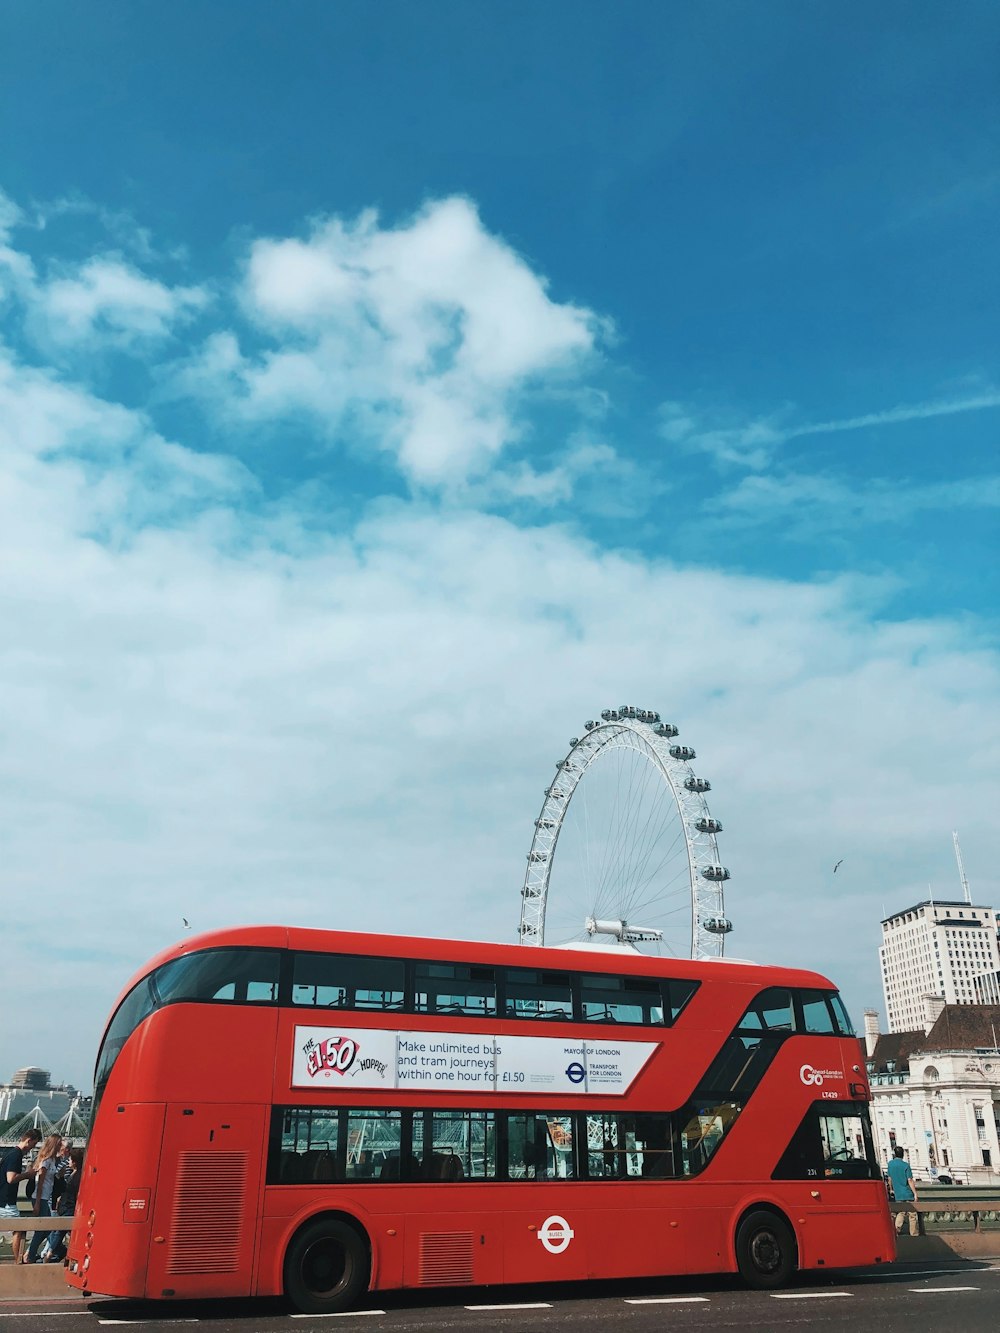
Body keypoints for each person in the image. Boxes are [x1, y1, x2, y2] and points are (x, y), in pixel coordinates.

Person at [1, 1130, 41, 1264]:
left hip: (5, 1199)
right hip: (7, 1201)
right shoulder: (16, 1155)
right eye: (33, 1144)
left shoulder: (11, 1154)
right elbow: (11, 1178)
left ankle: (19, 1258)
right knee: (19, 1229)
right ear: (28, 1140)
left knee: (19, 1229)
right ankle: (18, 1260)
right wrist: (28, 1174)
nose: (32, 1148)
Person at [24, 1135, 62, 1263]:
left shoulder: (52, 1160)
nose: (60, 1146)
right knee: (43, 1228)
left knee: (45, 1228)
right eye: (59, 1144)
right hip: (40, 1197)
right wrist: (38, 1203)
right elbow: (40, 1183)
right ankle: (30, 1255)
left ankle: (30, 1253)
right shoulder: (45, 1161)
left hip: (46, 1196)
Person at [887, 1146, 922, 1236]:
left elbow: (889, 1179)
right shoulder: (905, 1165)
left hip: (897, 1193)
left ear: (894, 1154)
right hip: (907, 1192)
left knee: (901, 1212)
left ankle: (897, 1229)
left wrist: (891, 1189)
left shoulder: (890, 1164)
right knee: (912, 1214)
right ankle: (913, 1233)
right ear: (903, 1154)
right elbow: (909, 1180)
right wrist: (915, 1193)